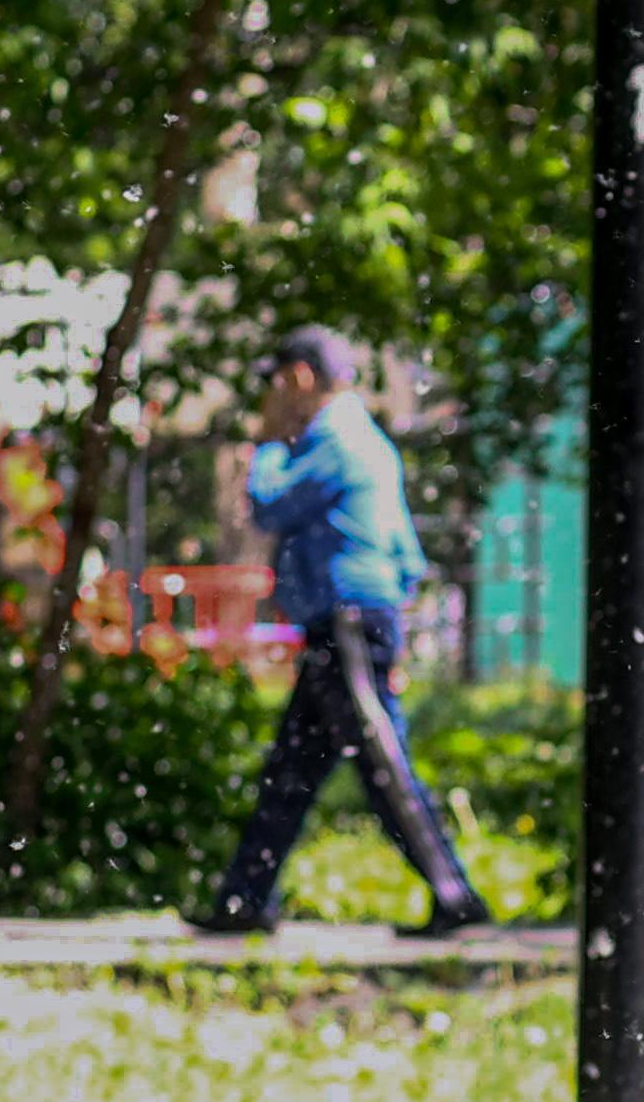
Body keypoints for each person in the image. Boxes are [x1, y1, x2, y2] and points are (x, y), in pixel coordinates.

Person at [188, 326, 491, 939]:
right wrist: (394, 633)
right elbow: (406, 554)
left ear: (299, 377)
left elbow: (269, 504)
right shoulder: (370, 441)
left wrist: (269, 440)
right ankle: (244, 899)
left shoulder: (332, 439)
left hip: (347, 621)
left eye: (277, 383)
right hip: (353, 621)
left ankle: (453, 892)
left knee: (381, 760)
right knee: (291, 770)